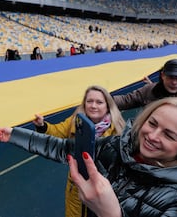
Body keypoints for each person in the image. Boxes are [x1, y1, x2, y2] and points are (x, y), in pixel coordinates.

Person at [0, 97, 177, 217]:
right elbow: (64, 148)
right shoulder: (117, 145)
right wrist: (16, 134)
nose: (152, 136)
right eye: (152, 123)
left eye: (169, 135)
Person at [32, 85, 126, 217]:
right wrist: (42, 126)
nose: (93, 106)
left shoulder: (118, 131)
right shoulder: (75, 122)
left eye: (99, 102)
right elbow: (56, 131)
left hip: (104, 189)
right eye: (89, 101)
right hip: (77, 188)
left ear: (108, 105)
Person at [113, 59, 177, 122]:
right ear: (162, 75)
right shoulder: (149, 90)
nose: (174, 82)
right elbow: (126, 100)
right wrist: (101, 98)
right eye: (171, 77)